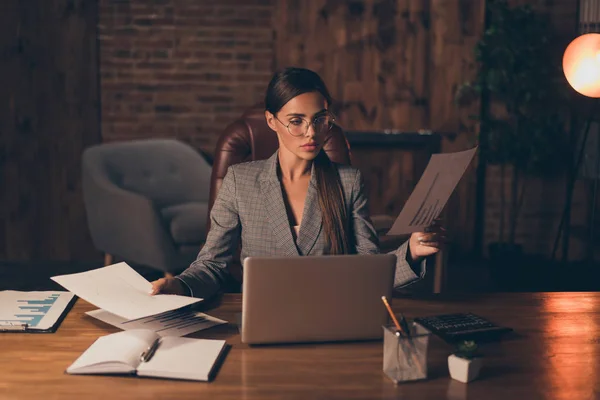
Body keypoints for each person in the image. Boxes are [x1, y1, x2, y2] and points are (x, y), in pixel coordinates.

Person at [151, 67, 445, 299]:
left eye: (319, 119)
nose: (311, 133)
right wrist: (178, 285)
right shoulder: (241, 181)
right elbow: (212, 265)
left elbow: (367, 268)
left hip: (336, 314)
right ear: (271, 121)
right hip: (264, 316)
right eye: (296, 120)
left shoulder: (348, 182)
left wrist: (412, 251)